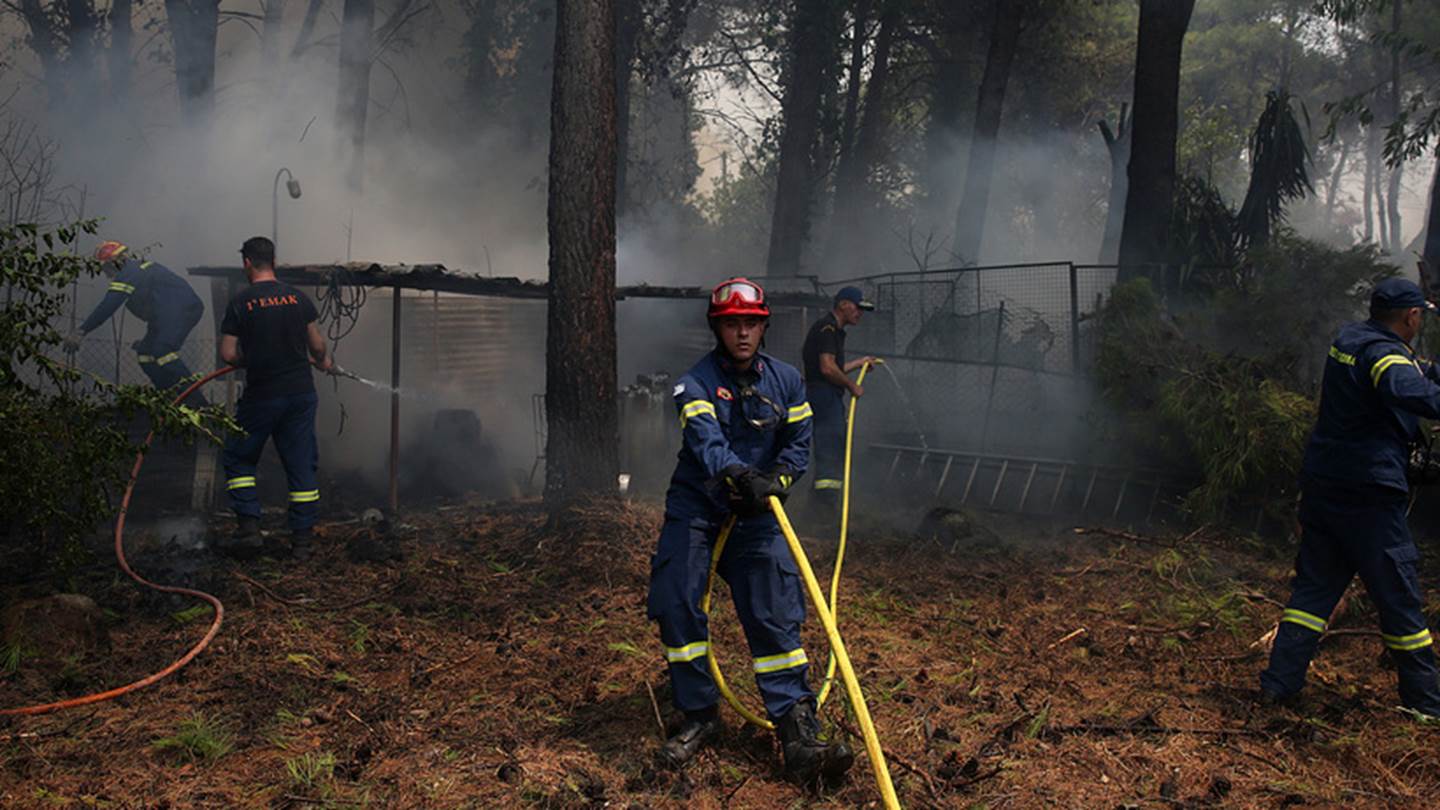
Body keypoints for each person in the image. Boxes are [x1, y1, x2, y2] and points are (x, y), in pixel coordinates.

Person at [646, 277, 854, 784]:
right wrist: (737, 474)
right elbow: (706, 441)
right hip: (700, 507)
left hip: (758, 513)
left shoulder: (786, 381)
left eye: (751, 324)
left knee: (775, 610)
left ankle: (796, 728)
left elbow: (798, 442)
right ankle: (699, 714)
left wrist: (778, 480)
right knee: (676, 598)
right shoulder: (693, 383)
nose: (742, 333)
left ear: (763, 327)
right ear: (718, 328)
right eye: (733, 324)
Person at [1260, 277, 1440, 717]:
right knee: (1399, 601)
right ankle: (1427, 706)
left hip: (1326, 487)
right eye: (1420, 316)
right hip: (1368, 497)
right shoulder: (1384, 354)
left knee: (1313, 595)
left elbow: (1413, 371)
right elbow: (1405, 386)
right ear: (1410, 316)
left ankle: (1278, 688)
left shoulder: (1351, 338)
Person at [217, 237, 332, 561]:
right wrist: (322, 361)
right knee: (301, 466)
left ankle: (250, 530)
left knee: (239, 458)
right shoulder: (298, 298)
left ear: (247, 263)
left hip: (262, 395)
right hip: (300, 394)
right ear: (274, 261)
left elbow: (227, 354)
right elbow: (318, 347)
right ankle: (302, 544)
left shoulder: (241, 302)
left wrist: (248, 359)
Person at [65, 241, 207, 401]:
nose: (105, 272)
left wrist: (81, 331)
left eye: (106, 267)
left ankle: (197, 403)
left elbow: (109, 305)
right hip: (166, 316)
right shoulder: (136, 270)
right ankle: (168, 397)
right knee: (145, 352)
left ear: (115, 262)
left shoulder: (129, 272)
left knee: (162, 351)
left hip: (180, 310)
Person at [800, 286, 878, 509]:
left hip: (823, 393)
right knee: (831, 447)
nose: (859, 313)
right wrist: (853, 386)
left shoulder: (831, 330)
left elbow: (834, 366)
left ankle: (817, 503)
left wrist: (859, 363)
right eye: (857, 307)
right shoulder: (828, 329)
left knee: (832, 446)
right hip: (823, 395)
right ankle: (825, 507)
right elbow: (826, 369)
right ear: (843, 304)